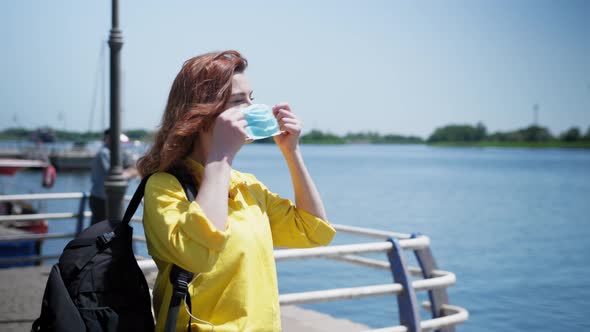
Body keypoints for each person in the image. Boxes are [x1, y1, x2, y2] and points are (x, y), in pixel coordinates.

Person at [137, 50, 336, 331]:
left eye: (252, 98)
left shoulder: (246, 185)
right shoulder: (164, 186)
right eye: (238, 101)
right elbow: (197, 255)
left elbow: (313, 231)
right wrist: (220, 155)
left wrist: (291, 153)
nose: (253, 108)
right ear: (203, 114)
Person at [89, 129, 138, 224]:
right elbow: (113, 174)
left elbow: (133, 167)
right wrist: (129, 172)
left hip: (108, 198)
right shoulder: (104, 153)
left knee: (108, 228)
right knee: (99, 229)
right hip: (101, 199)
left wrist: (131, 170)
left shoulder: (117, 153)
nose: (119, 142)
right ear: (108, 139)